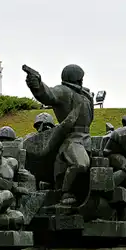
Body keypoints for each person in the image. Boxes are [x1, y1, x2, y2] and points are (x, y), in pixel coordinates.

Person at [24, 64, 94, 206]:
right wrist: (37, 86)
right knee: (81, 164)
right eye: (81, 78)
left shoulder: (85, 95)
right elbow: (48, 94)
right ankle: (66, 191)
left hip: (87, 138)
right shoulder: (64, 91)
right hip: (73, 139)